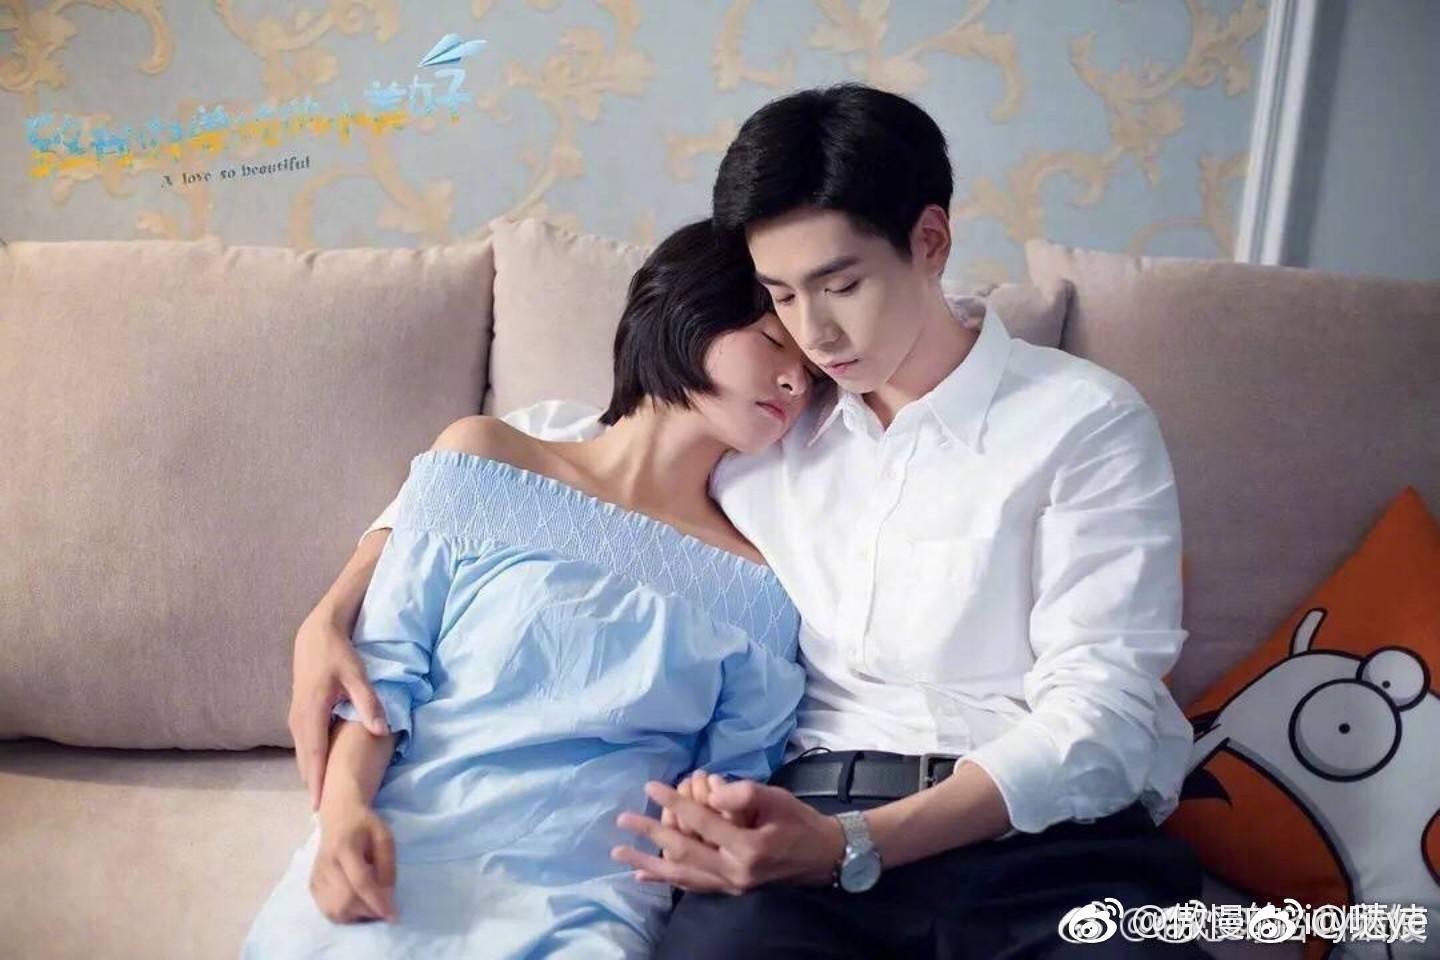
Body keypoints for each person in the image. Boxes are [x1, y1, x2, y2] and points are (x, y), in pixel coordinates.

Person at [293, 83, 1208, 958]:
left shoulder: (1084, 422)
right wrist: (340, 603)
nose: (814, 337)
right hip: (803, 832)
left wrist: (856, 844)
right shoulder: (767, 427)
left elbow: (1105, 714)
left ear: (930, 242)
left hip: (1040, 841)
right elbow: (554, 462)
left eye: (840, 285)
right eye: (780, 297)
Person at [244, 219, 811, 959]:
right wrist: (342, 817)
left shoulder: (764, 586)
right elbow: (383, 673)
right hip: (394, 848)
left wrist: (713, 815)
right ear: (688, 313)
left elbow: (731, 787)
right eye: (772, 341)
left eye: (812, 369)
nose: (798, 380)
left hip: (585, 903)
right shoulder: (486, 458)